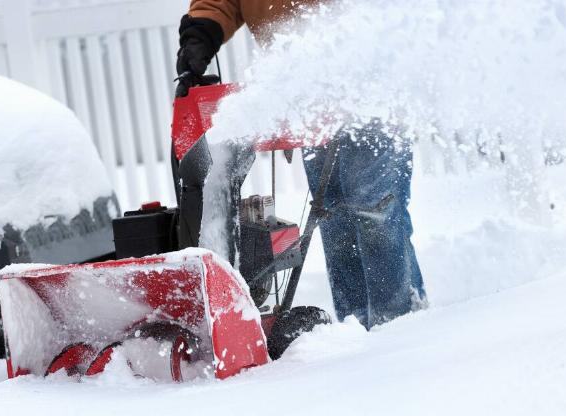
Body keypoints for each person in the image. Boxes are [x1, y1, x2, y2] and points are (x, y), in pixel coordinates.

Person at [176, 0, 427, 330]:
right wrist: (201, 33)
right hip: (310, 102)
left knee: (373, 211)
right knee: (334, 216)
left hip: (371, 84)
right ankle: (358, 329)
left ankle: (401, 327)